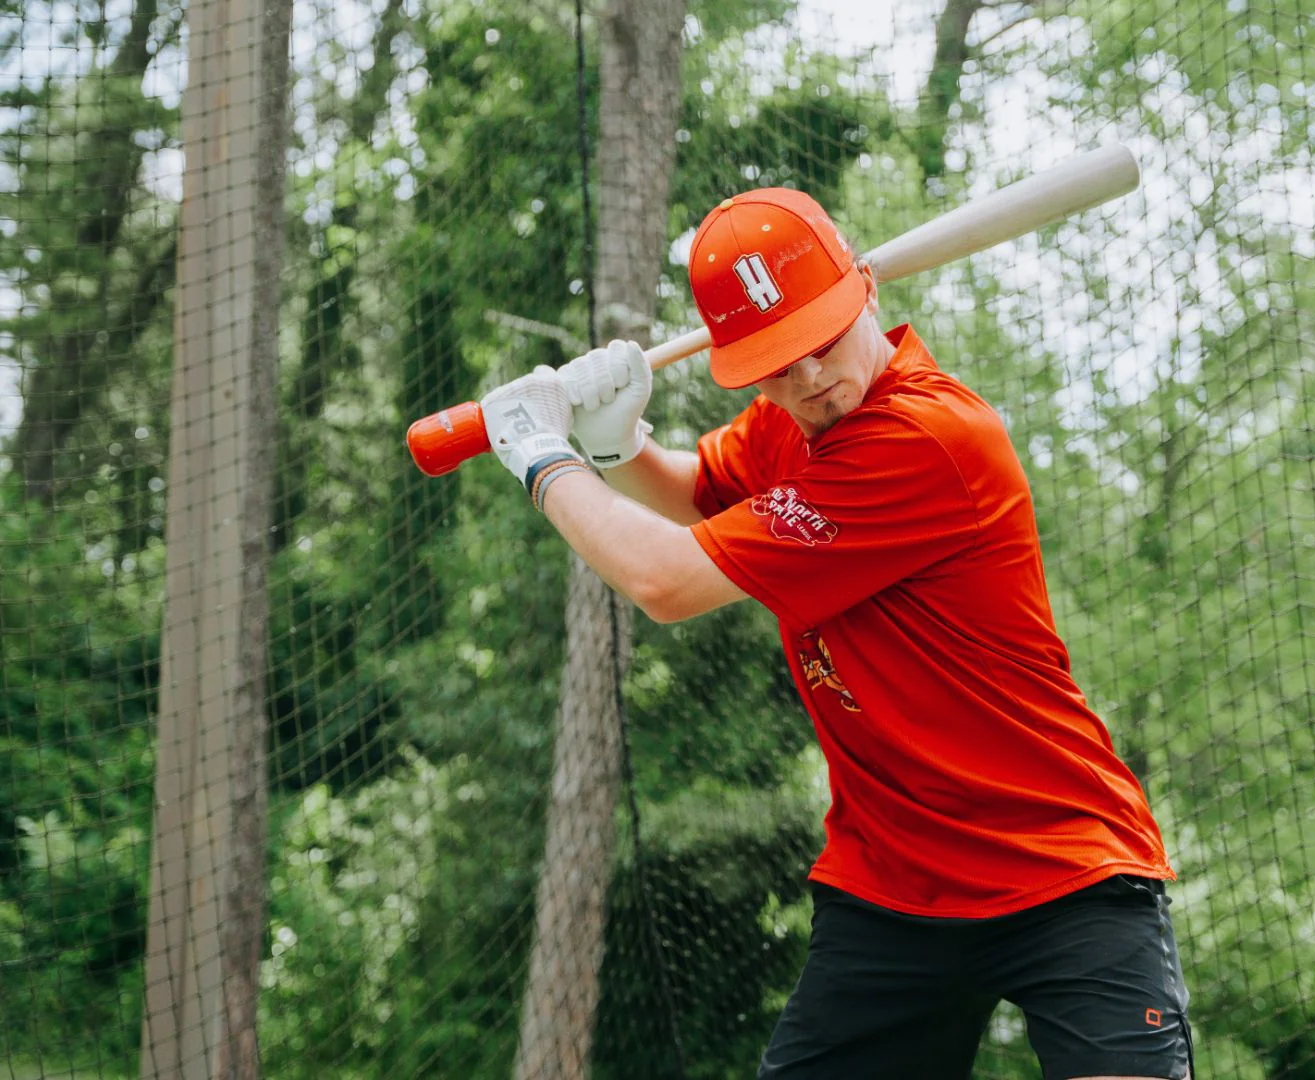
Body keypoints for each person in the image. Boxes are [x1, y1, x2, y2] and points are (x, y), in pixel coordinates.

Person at [479, 187, 1193, 1080]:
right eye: (776, 366)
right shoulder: (792, 426)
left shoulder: (928, 438)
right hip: (892, 886)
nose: (809, 381)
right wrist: (616, 448)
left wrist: (544, 456)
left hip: (1062, 870)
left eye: (821, 345)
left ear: (867, 291)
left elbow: (663, 580)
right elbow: (700, 486)